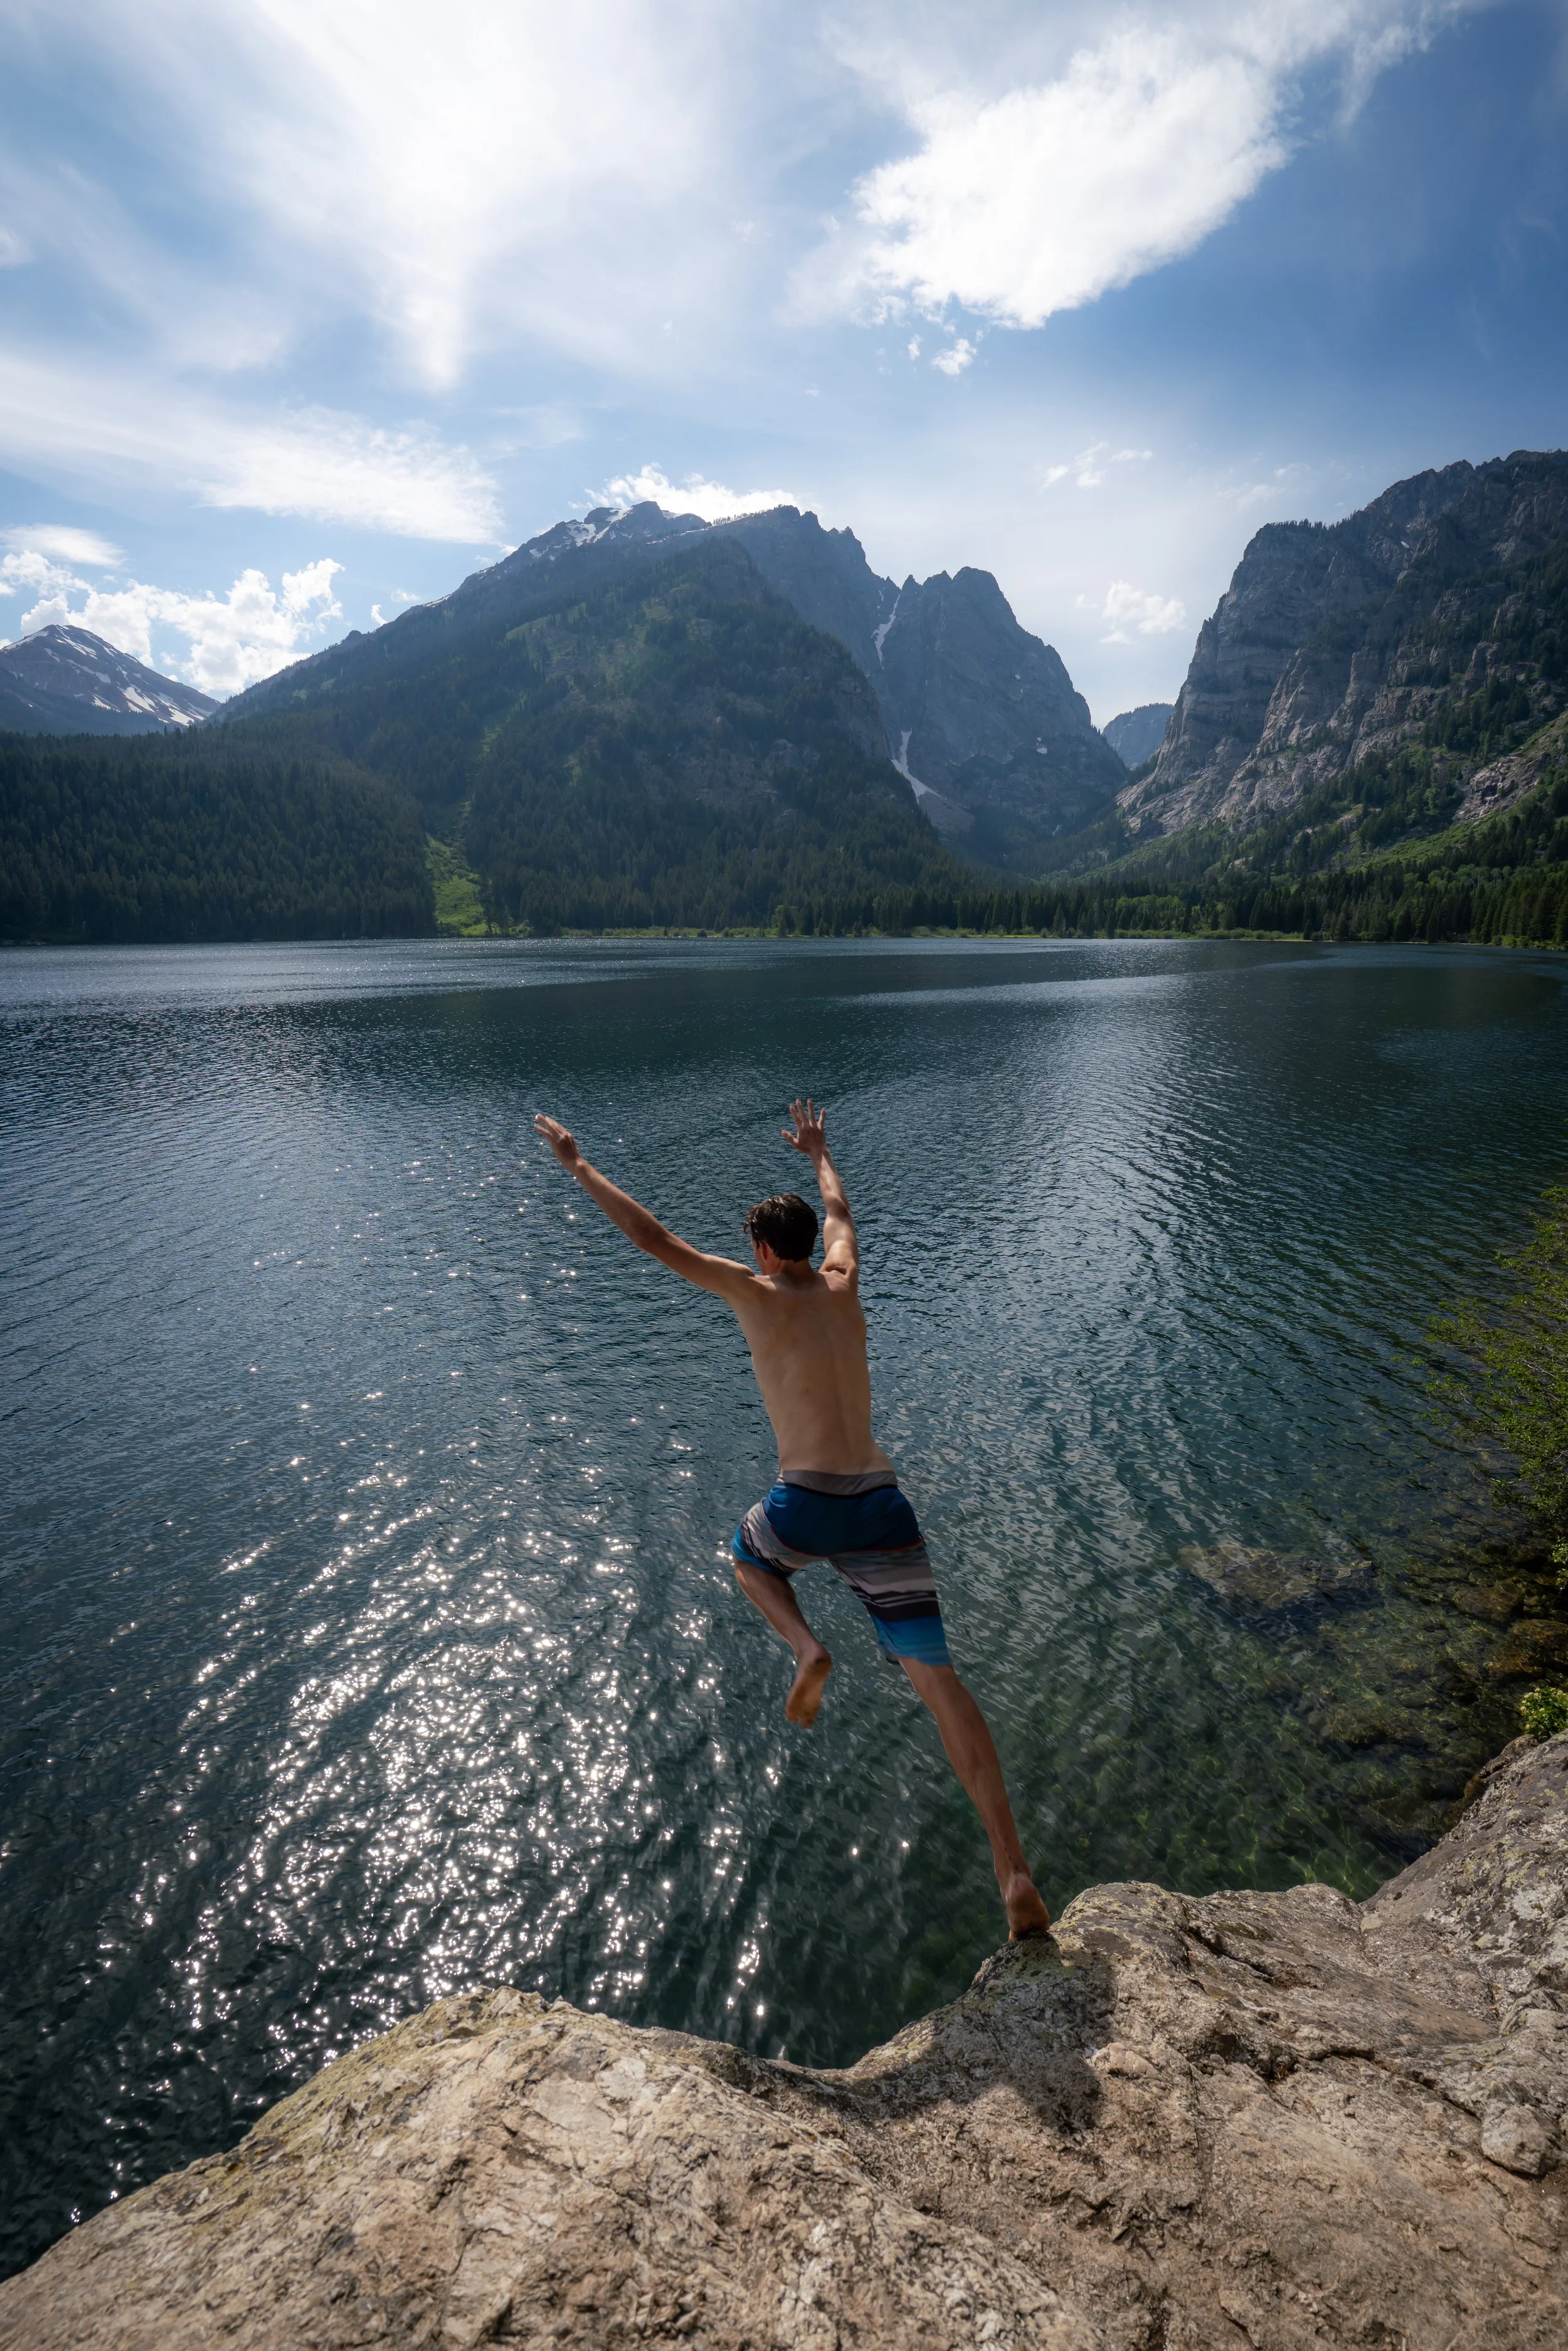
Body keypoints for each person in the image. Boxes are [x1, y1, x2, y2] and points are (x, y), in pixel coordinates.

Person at [532, 1098, 1051, 1940]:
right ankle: (1014, 1871)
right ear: (809, 1243)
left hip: (804, 1504)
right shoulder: (842, 1282)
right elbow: (844, 1212)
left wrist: (578, 1165)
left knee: (747, 1556)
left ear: (765, 1252)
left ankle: (806, 1644)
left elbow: (653, 1240)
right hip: (882, 1505)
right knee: (941, 1687)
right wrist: (820, 1153)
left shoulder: (756, 1291)